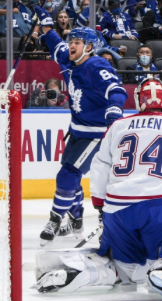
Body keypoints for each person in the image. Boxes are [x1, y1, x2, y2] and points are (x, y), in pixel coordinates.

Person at [32, 77, 162, 301]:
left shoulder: (118, 126)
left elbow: (99, 168)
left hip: (117, 212)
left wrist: (100, 207)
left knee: (124, 270)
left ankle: (84, 271)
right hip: (158, 210)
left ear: (139, 101)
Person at [34, 6, 128, 245]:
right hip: (77, 130)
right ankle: (75, 219)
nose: (71, 44)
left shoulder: (96, 66)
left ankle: (55, 220)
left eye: (77, 41)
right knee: (69, 173)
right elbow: (55, 43)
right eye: (71, 40)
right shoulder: (69, 58)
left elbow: (116, 89)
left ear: (89, 47)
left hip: (95, 135)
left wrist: (114, 107)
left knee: (68, 174)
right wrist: (47, 25)